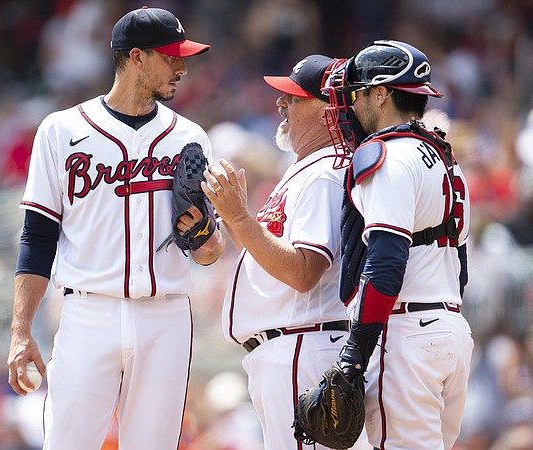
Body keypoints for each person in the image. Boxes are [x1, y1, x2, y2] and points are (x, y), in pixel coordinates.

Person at [6, 6, 225, 450]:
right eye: (171, 56)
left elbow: (210, 252)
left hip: (166, 313)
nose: (182, 67)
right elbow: (37, 238)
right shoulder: (61, 130)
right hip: (89, 312)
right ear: (137, 58)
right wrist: (20, 330)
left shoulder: (192, 136)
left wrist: (204, 235)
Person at [319, 40, 474, 449]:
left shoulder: (388, 156)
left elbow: (386, 264)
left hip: (407, 336)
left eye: (357, 94)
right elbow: (461, 266)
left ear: (381, 93)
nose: (350, 105)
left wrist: (355, 351)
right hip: (451, 331)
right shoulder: (443, 155)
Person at [203, 55, 360, 449]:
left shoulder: (325, 173)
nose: (280, 105)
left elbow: (304, 271)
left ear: (330, 111)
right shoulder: (310, 168)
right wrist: (229, 226)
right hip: (293, 347)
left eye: (294, 98)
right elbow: (273, 255)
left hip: (304, 347)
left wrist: (240, 218)